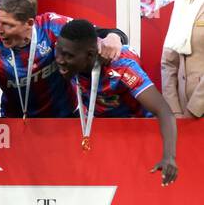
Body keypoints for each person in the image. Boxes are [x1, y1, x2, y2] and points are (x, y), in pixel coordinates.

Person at [0, 0, 126, 192]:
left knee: (66, 190)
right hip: (18, 127)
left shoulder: (52, 25)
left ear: (29, 23)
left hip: (65, 120)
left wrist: (115, 36)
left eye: (7, 24)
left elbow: (97, 34)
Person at [49, 19, 177, 185]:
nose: (60, 60)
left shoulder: (121, 66)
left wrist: (169, 157)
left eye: (68, 56)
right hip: (101, 136)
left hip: (136, 137)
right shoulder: (69, 53)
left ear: (89, 55)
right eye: (58, 51)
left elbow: (163, 110)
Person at [161, 0, 204, 118]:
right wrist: (175, 111)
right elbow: (168, 62)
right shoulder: (183, 4)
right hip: (182, 115)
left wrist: (192, 111)